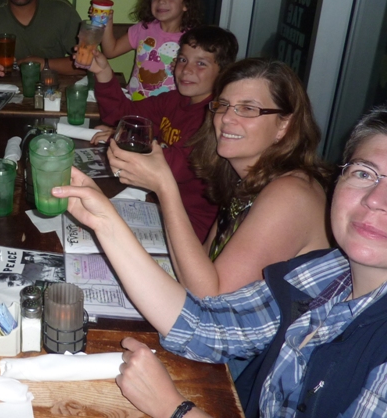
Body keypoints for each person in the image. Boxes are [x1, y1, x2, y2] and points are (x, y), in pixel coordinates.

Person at [52, 105, 387, 418]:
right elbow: (205, 325)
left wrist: (174, 409)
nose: (375, 200)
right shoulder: (327, 271)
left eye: (248, 108)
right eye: (364, 173)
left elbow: (209, 292)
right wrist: (103, 220)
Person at [106, 58, 330, 298]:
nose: (226, 118)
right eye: (223, 105)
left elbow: (212, 298)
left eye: (247, 109)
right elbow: (201, 263)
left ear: (284, 125)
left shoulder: (291, 194)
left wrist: (165, 187)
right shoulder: (246, 179)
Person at [84, 26, 239, 241]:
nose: (187, 70)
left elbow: (174, 166)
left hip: (194, 226)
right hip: (159, 206)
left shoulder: (215, 117)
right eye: (183, 60)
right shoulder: (173, 100)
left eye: (201, 63)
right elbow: (123, 115)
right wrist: (103, 73)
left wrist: (120, 138)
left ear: (223, 72)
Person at [101, 0, 203, 100]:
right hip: (135, 102)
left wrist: (181, 67)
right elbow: (110, 51)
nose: (161, 0)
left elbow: (199, 79)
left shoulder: (193, 40)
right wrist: (106, 21)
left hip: (168, 110)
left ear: (185, 4)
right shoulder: (143, 28)